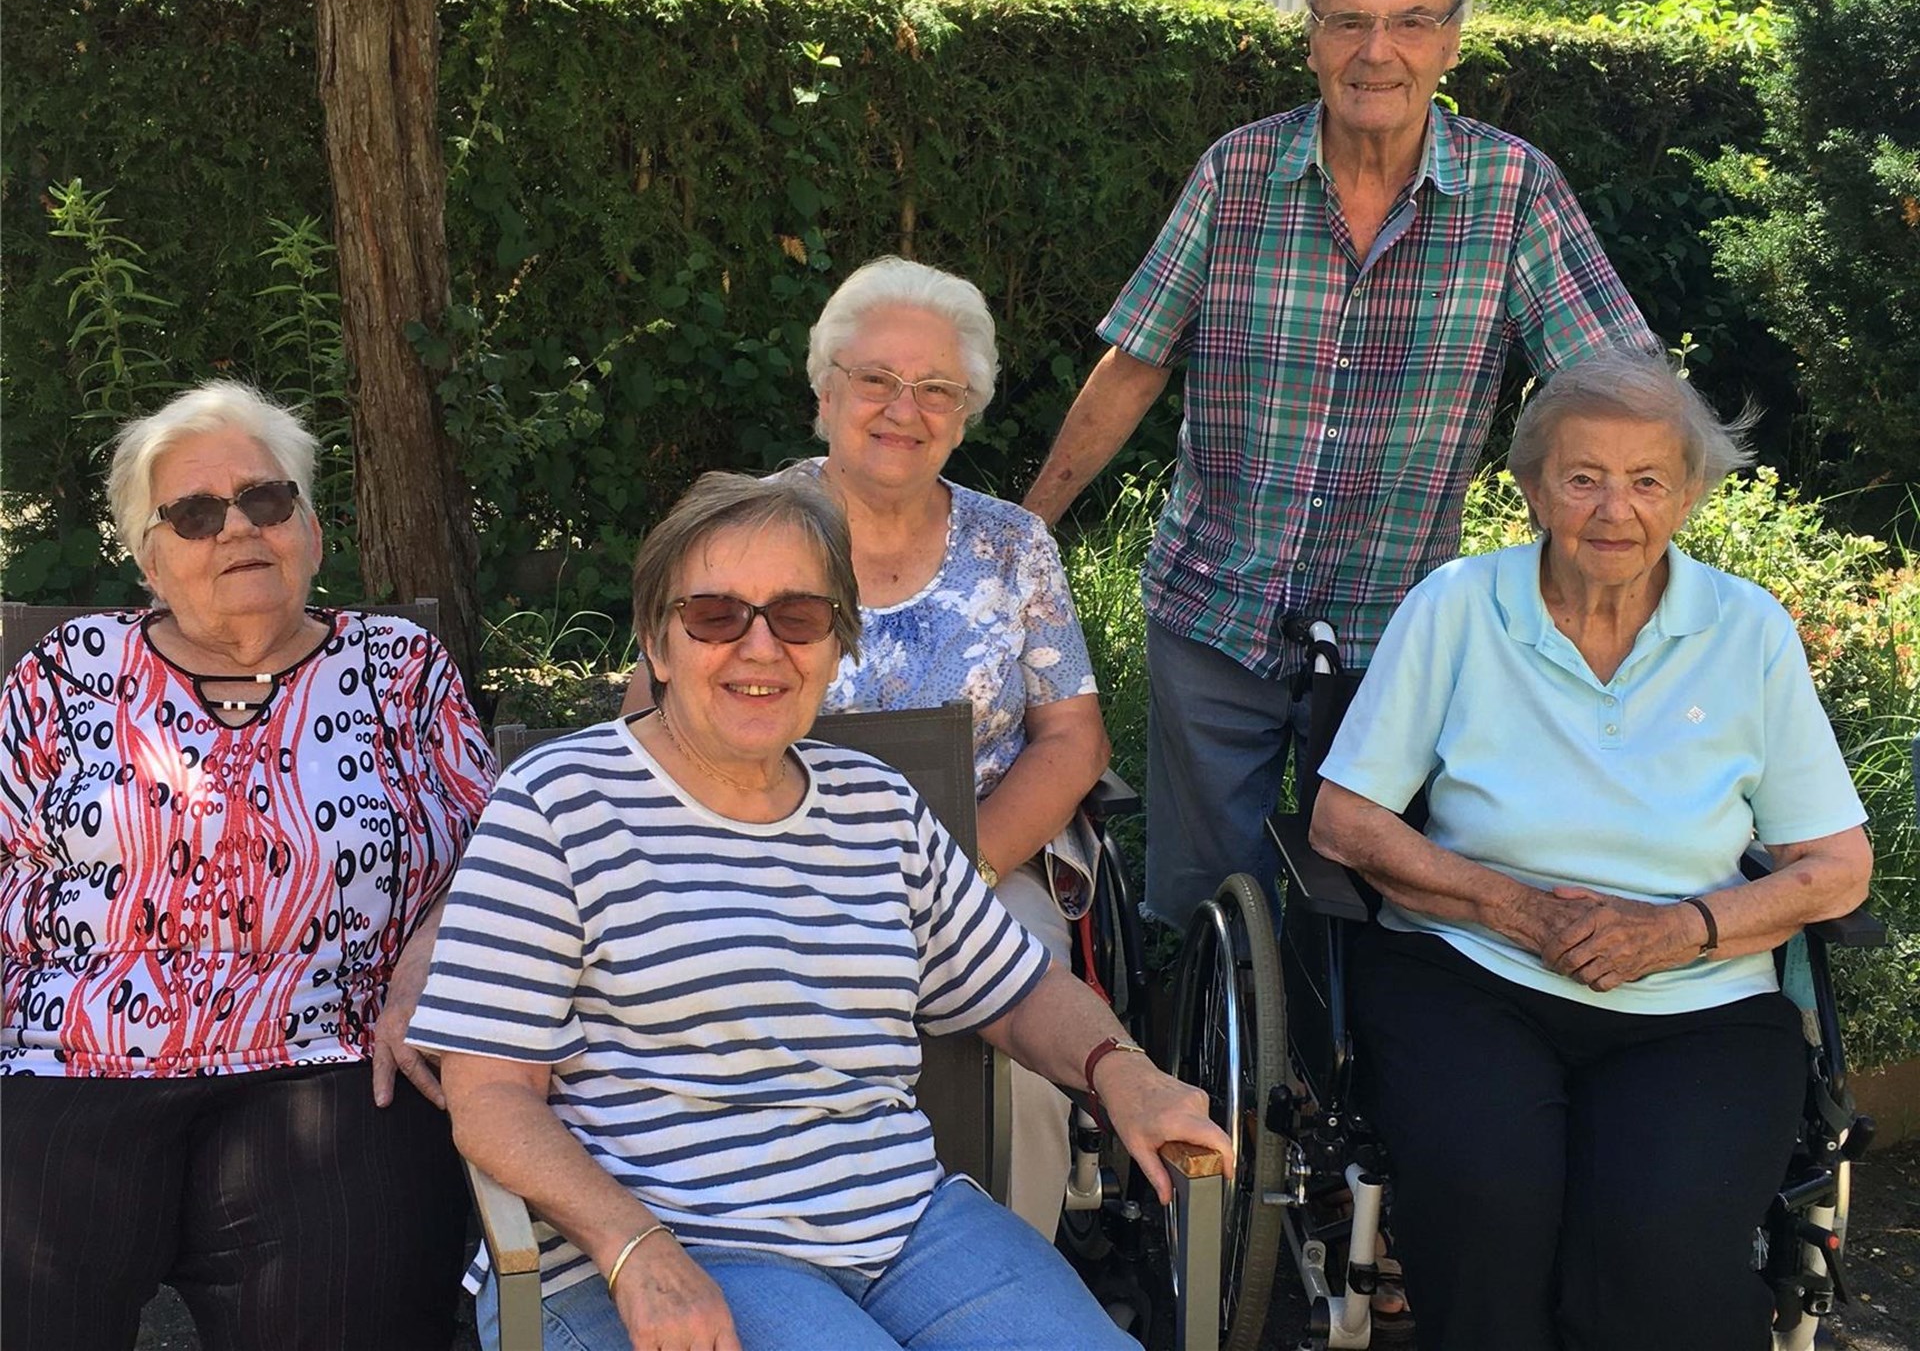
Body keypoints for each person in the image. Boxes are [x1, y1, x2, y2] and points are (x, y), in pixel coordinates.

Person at [414, 472, 1228, 1351]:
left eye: (798, 617)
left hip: (904, 1230)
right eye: (716, 615)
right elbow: (490, 1095)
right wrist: (632, 1244)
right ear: (656, 641)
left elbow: (1019, 989)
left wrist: (1122, 1070)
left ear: (838, 645)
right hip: (658, 1243)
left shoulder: (874, 802)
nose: (760, 647)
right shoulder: (556, 803)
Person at [1020, 0, 1659, 931]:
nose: (1377, 51)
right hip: (1214, 603)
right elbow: (1137, 358)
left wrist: (1613, 556)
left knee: (1366, 907)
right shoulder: (1237, 175)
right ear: (1311, 38)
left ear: (1451, 41)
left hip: (1396, 625)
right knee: (1198, 901)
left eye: (1410, 22)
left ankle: (1333, 1077)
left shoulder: (1513, 192)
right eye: (1350, 22)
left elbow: (1616, 389)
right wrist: (1030, 527)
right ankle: (1198, 1073)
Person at [1309, 348, 1874, 1350]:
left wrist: (1681, 930)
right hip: (1470, 975)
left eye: (1648, 480)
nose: (1616, 508)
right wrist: (1517, 910)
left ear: (1690, 494)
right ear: (1533, 489)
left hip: (1698, 1006)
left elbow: (1835, 867)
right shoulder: (1456, 607)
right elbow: (1344, 823)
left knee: (1659, 1258)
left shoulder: (1747, 633)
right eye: (1584, 478)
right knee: (1487, 1218)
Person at [0, 379, 496, 1351]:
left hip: (335, 1060)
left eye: (264, 500)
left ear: (309, 526)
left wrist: (427, 961)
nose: (236, 530)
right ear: (149, 555)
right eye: (193, 513)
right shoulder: (67, 673)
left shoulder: (399, 669)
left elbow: (502, 861)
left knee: (352, 1316)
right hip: (74, 1057)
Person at [619, 255, 1108, 1238]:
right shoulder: (739, 529)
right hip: (751, 859)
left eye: (936, 388)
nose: (903, 408)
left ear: (965, 412)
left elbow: (1071, 738)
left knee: (1021, 1031)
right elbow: (648, 710)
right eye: (876, 380)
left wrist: (957, 868)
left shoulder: (1014, 547)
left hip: (979, 864)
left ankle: (1000, 1281)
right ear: (825, 389)